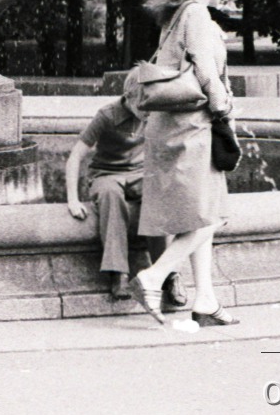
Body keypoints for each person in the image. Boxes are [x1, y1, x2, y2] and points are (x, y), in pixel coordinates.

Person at [127, 0, 239, 328]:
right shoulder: (196, 13)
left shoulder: (175, 15)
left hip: (171, 127)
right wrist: (223, 107)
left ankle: (205, 300)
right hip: (192, 128)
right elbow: (206, 73)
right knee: (212, 217)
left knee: (200, 214)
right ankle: (152, 277)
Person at [65, 93, 188, 310]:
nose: (148, 111)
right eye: (143, 105)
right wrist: (73, 200)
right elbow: (75, 156)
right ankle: (118, 273)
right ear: (129, 97)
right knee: (110, 196)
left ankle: (169, 275)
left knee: (156, 195)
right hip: (107, 174)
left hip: (142, 174)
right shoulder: (107, 115)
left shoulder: (156, 113)